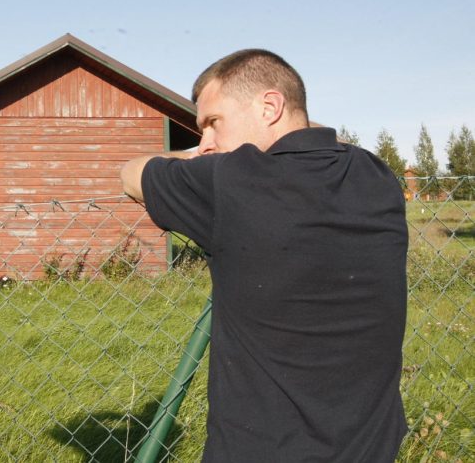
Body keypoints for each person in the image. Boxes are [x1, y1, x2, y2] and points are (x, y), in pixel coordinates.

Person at [121, 50, 408, 462]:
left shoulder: (231, 182)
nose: (207, 143)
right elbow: (324, 137)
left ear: (270, 106)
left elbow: (131, 173)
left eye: (212, 123)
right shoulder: (376, 176)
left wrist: (190, 157)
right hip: (371, 447)